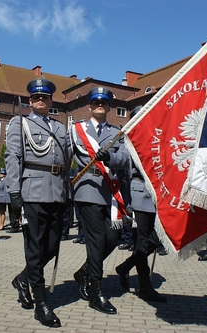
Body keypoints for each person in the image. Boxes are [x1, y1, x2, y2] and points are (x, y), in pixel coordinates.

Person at [5, 78, 69, 327]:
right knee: (34, 247)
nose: (40, 100)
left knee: (51, 247)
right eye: (35, 97)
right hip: (31, 192)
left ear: (51, 100)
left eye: (45, 97)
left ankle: (23, 279)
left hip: (57, 192)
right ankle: (41, 304)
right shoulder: (19, 124)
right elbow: (13, 157)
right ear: (30, 101)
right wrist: (14, 193)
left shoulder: (61, 128)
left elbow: (66, 161)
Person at [70, 87, 129, 315]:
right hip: (87, 190)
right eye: (96, 102)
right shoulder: (76, 130)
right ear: (90, 106)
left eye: (104, 103)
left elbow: (125, 158)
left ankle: (84, 271)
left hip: (110, 192)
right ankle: (96, 290)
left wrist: (111, 157)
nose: (100, 106)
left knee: (112, 238)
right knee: (96, 241)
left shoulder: (117, 132)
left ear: (109, 107)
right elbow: (65, 156)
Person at [114, 106, 166, 303]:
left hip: (156, 196)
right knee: (142, 242)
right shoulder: (128, 141)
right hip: (139, 195)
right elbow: (124, 168)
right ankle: (145, 287)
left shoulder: (157, 140)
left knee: (156, 240)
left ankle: (125, 267)